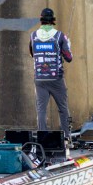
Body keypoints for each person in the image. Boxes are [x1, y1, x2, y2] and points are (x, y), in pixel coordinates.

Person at [29, 7, 73, 137]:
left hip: (39, 79)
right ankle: (66, 137)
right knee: (63, 108)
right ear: (53, 20)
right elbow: (69, 58)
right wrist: (68, 45)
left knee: (41, 110)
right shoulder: (60, 36)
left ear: (41, 20)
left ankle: (42, 137)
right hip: (56, 79)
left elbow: (32, 54)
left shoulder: (33, 36)